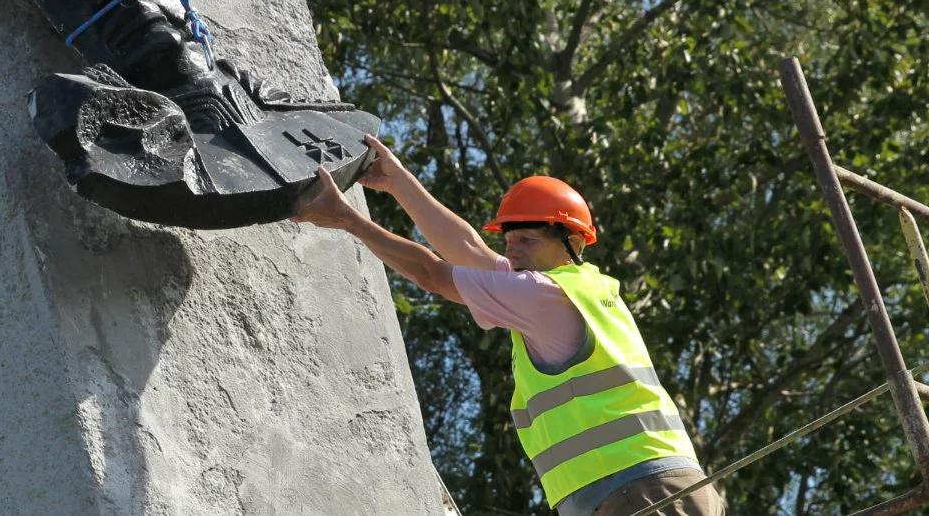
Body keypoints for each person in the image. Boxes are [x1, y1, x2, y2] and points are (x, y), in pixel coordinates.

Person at [292, 135, 724, 516]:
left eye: (527, 241)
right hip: (650, 488)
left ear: (571, 243)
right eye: (509, 239)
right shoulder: (579, 287)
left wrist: (349, 220)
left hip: (639, 492)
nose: (512, 252)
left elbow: (435, 275)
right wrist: (399, 180)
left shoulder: (544, 295)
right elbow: (468, 248)